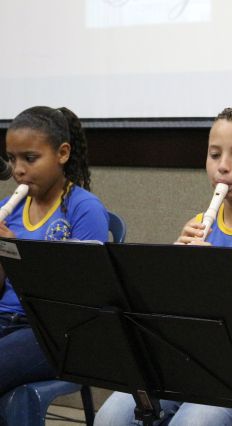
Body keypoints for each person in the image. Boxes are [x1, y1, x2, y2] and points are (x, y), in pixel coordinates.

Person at [95, 105, 232, 426]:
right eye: (214, 154)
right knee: (110, 418)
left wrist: (224, 286)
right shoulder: (199, 223)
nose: (222, 167)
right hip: (191, 354)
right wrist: (174, 267)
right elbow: (168, 313)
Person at [0, 106, 109, 396]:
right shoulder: (7, 209)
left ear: (62, 153)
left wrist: (15, 251)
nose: (18, 169)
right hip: (6, 318)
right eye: (12, 158)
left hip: (54, 332)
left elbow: (82, 298)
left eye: (29, 158)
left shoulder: (84, 209)